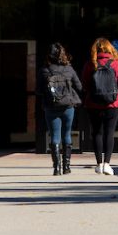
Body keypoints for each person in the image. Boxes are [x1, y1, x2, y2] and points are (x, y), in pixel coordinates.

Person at [81, 37, 118, 175]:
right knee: (109, 133)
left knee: (97, 133)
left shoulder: (90, 64)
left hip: (93, 103)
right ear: (109, 49)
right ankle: (107, 164)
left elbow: (84, 84)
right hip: (112, 104)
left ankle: (99, 164)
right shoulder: (115, 64)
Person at [36, 42, 83, 175]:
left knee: (55, 136)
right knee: (66, 134)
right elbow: (79, 87)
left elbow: (38, 91)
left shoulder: (44, 70)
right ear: (63, 54)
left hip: (51, 107)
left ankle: (56, 168)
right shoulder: (69, 69)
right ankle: (66, 167)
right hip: (68, 106)